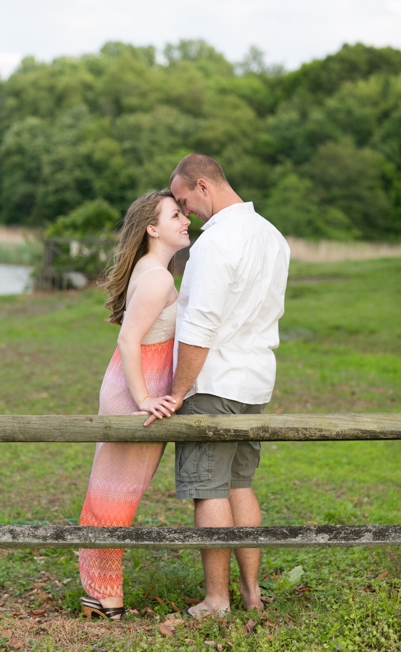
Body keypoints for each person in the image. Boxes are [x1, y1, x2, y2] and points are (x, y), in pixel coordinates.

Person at [154, 153, 289, 619]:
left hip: (213, 385)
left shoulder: (215, 244)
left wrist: (177, 391)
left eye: (182, 198)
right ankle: (252, 593)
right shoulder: (272, 236)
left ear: (203, 186)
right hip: (254, 381)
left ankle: (217, 600)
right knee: (240, 484)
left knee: (208, 489)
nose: (183, 208)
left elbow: (200, 327)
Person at [78, 189, 191, 619]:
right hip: (134, 391)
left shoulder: (153, 270)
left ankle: (99, 590)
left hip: (135, 384)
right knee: (115, 496)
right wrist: (144, 398)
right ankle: (105, 597)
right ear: (152, 228)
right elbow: (129, 339)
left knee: (115, 491)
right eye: (175, 215)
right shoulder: (158, 277)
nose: (185, 221)